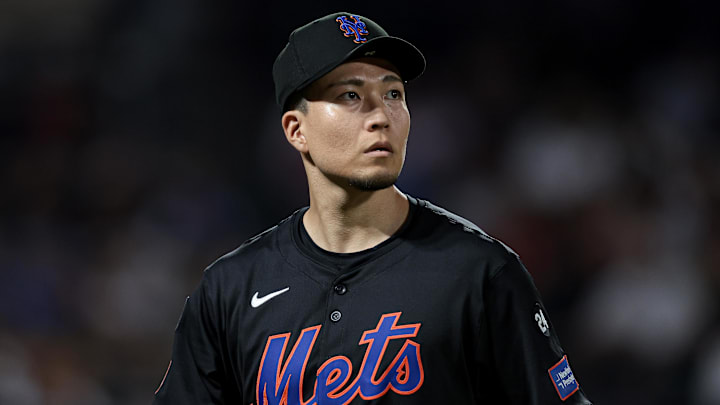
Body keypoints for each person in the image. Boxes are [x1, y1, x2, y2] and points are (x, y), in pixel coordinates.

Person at [152, 11, 592, 404]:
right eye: (349, 96)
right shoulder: (229, 290)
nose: (381, 115)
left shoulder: (478, 273)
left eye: (394, 94)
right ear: (296, 129)